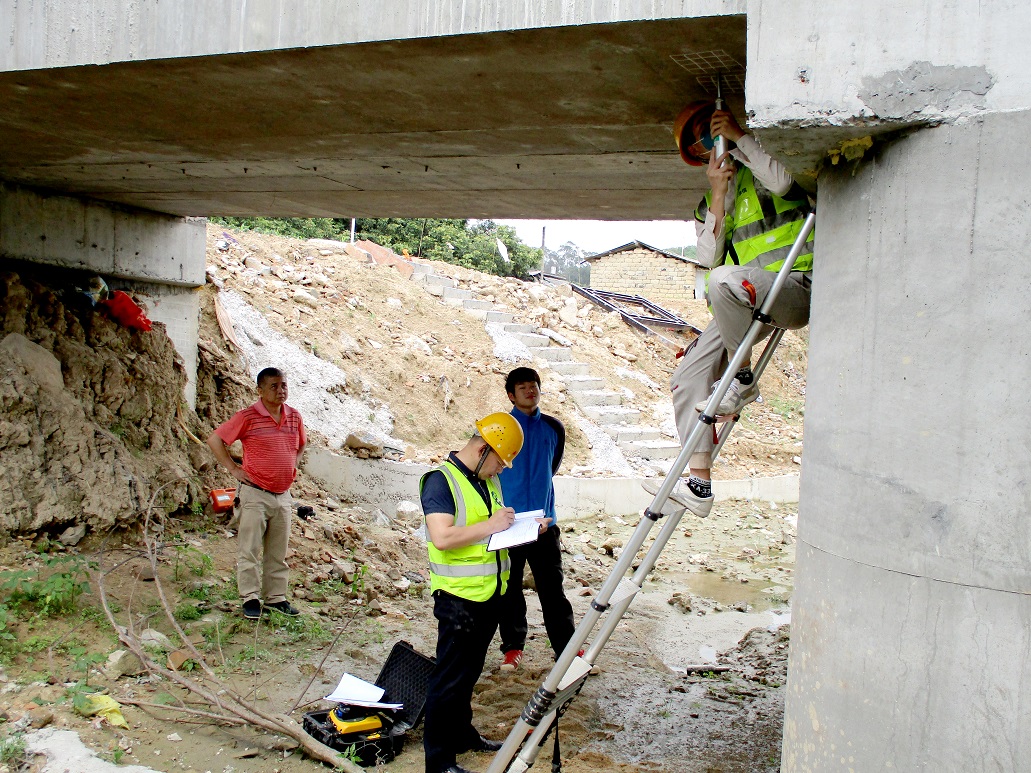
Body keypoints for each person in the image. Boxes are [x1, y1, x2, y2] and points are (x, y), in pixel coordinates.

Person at [662, 101, 814, 518]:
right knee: (687, 378)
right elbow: (708, 259)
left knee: (723, 281)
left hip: (794, 287)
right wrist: (718, 193)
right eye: (700, 141)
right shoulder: (710, 200)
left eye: (710, 130)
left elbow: (786, 183)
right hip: (744, 300)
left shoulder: (762, 165)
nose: (708, 141)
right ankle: (699, 484)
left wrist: (741, 138)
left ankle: (742, 380)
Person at [420, 412, 525, 773]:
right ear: (482, 450)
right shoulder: (440, 482)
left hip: (488, 595)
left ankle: (462, 735)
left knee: (468, 673)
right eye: (500, 462)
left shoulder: (486, 480)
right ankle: (438, 761)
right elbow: (443, 537)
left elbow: (491, 529)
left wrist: (522, 525)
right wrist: (492, 525)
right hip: (458, 599)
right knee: (449, 679)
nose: (501, 470)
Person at [206, 367, 306, 620]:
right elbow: (215, 440)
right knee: (249, 549)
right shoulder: (248, 417)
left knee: (278, 551)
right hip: (254, 493)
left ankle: (276, 598)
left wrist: (293, 466)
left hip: (282, 495)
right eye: (274, 386)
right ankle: (250, 597)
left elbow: (301, 445)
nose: (280, 390)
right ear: (260, 391)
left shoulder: (294, 416)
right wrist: (233, 469)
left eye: (283, 385)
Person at [496, 367, 576, 672]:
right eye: (523, 387)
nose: (530, 391)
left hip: (544, 524)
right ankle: (512, 648)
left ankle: (566, 650)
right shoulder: (501, 427)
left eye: (534, 386)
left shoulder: (554, 428)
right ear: (511, 395)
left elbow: (552, 466)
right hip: (509, 525)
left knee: (553, 590)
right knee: (509, 589)